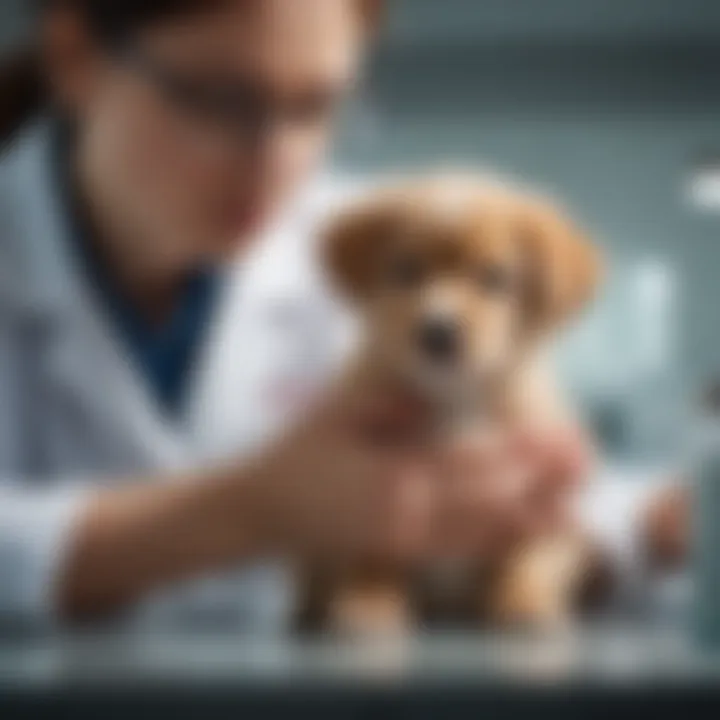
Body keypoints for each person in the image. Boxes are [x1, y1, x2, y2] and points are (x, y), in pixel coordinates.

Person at [0, 0, 679, 632]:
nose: (274, 159)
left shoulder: (367, 241)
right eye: (221, 100)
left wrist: (656, 524)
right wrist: (254, 509)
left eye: (317, 106)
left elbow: (533, 501)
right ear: (75, 58)